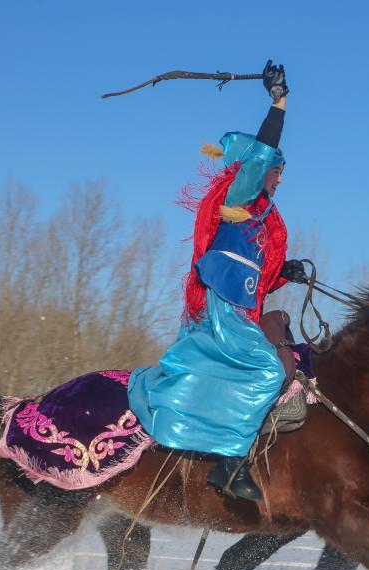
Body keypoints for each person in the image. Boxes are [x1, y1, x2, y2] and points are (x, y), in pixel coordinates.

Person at [128, 60, 307, 501]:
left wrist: (287, 271)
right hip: (221, 313)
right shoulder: (240, 194)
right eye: (277, 169)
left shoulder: (257, 219)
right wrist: (278, 104)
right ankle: (230, 465)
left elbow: (255, 279)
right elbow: (262, 152)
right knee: (268, 371)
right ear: (257, 169)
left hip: (237, 310)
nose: (281, 177)